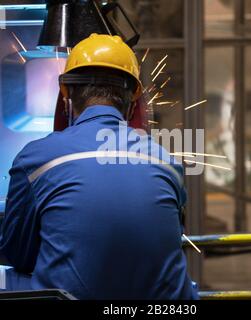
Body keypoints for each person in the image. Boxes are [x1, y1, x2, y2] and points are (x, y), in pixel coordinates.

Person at [0, 34, 198, 300]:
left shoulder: (36, 158)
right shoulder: (167, 161)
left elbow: (18, 254)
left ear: (66, 92)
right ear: (134, 97)